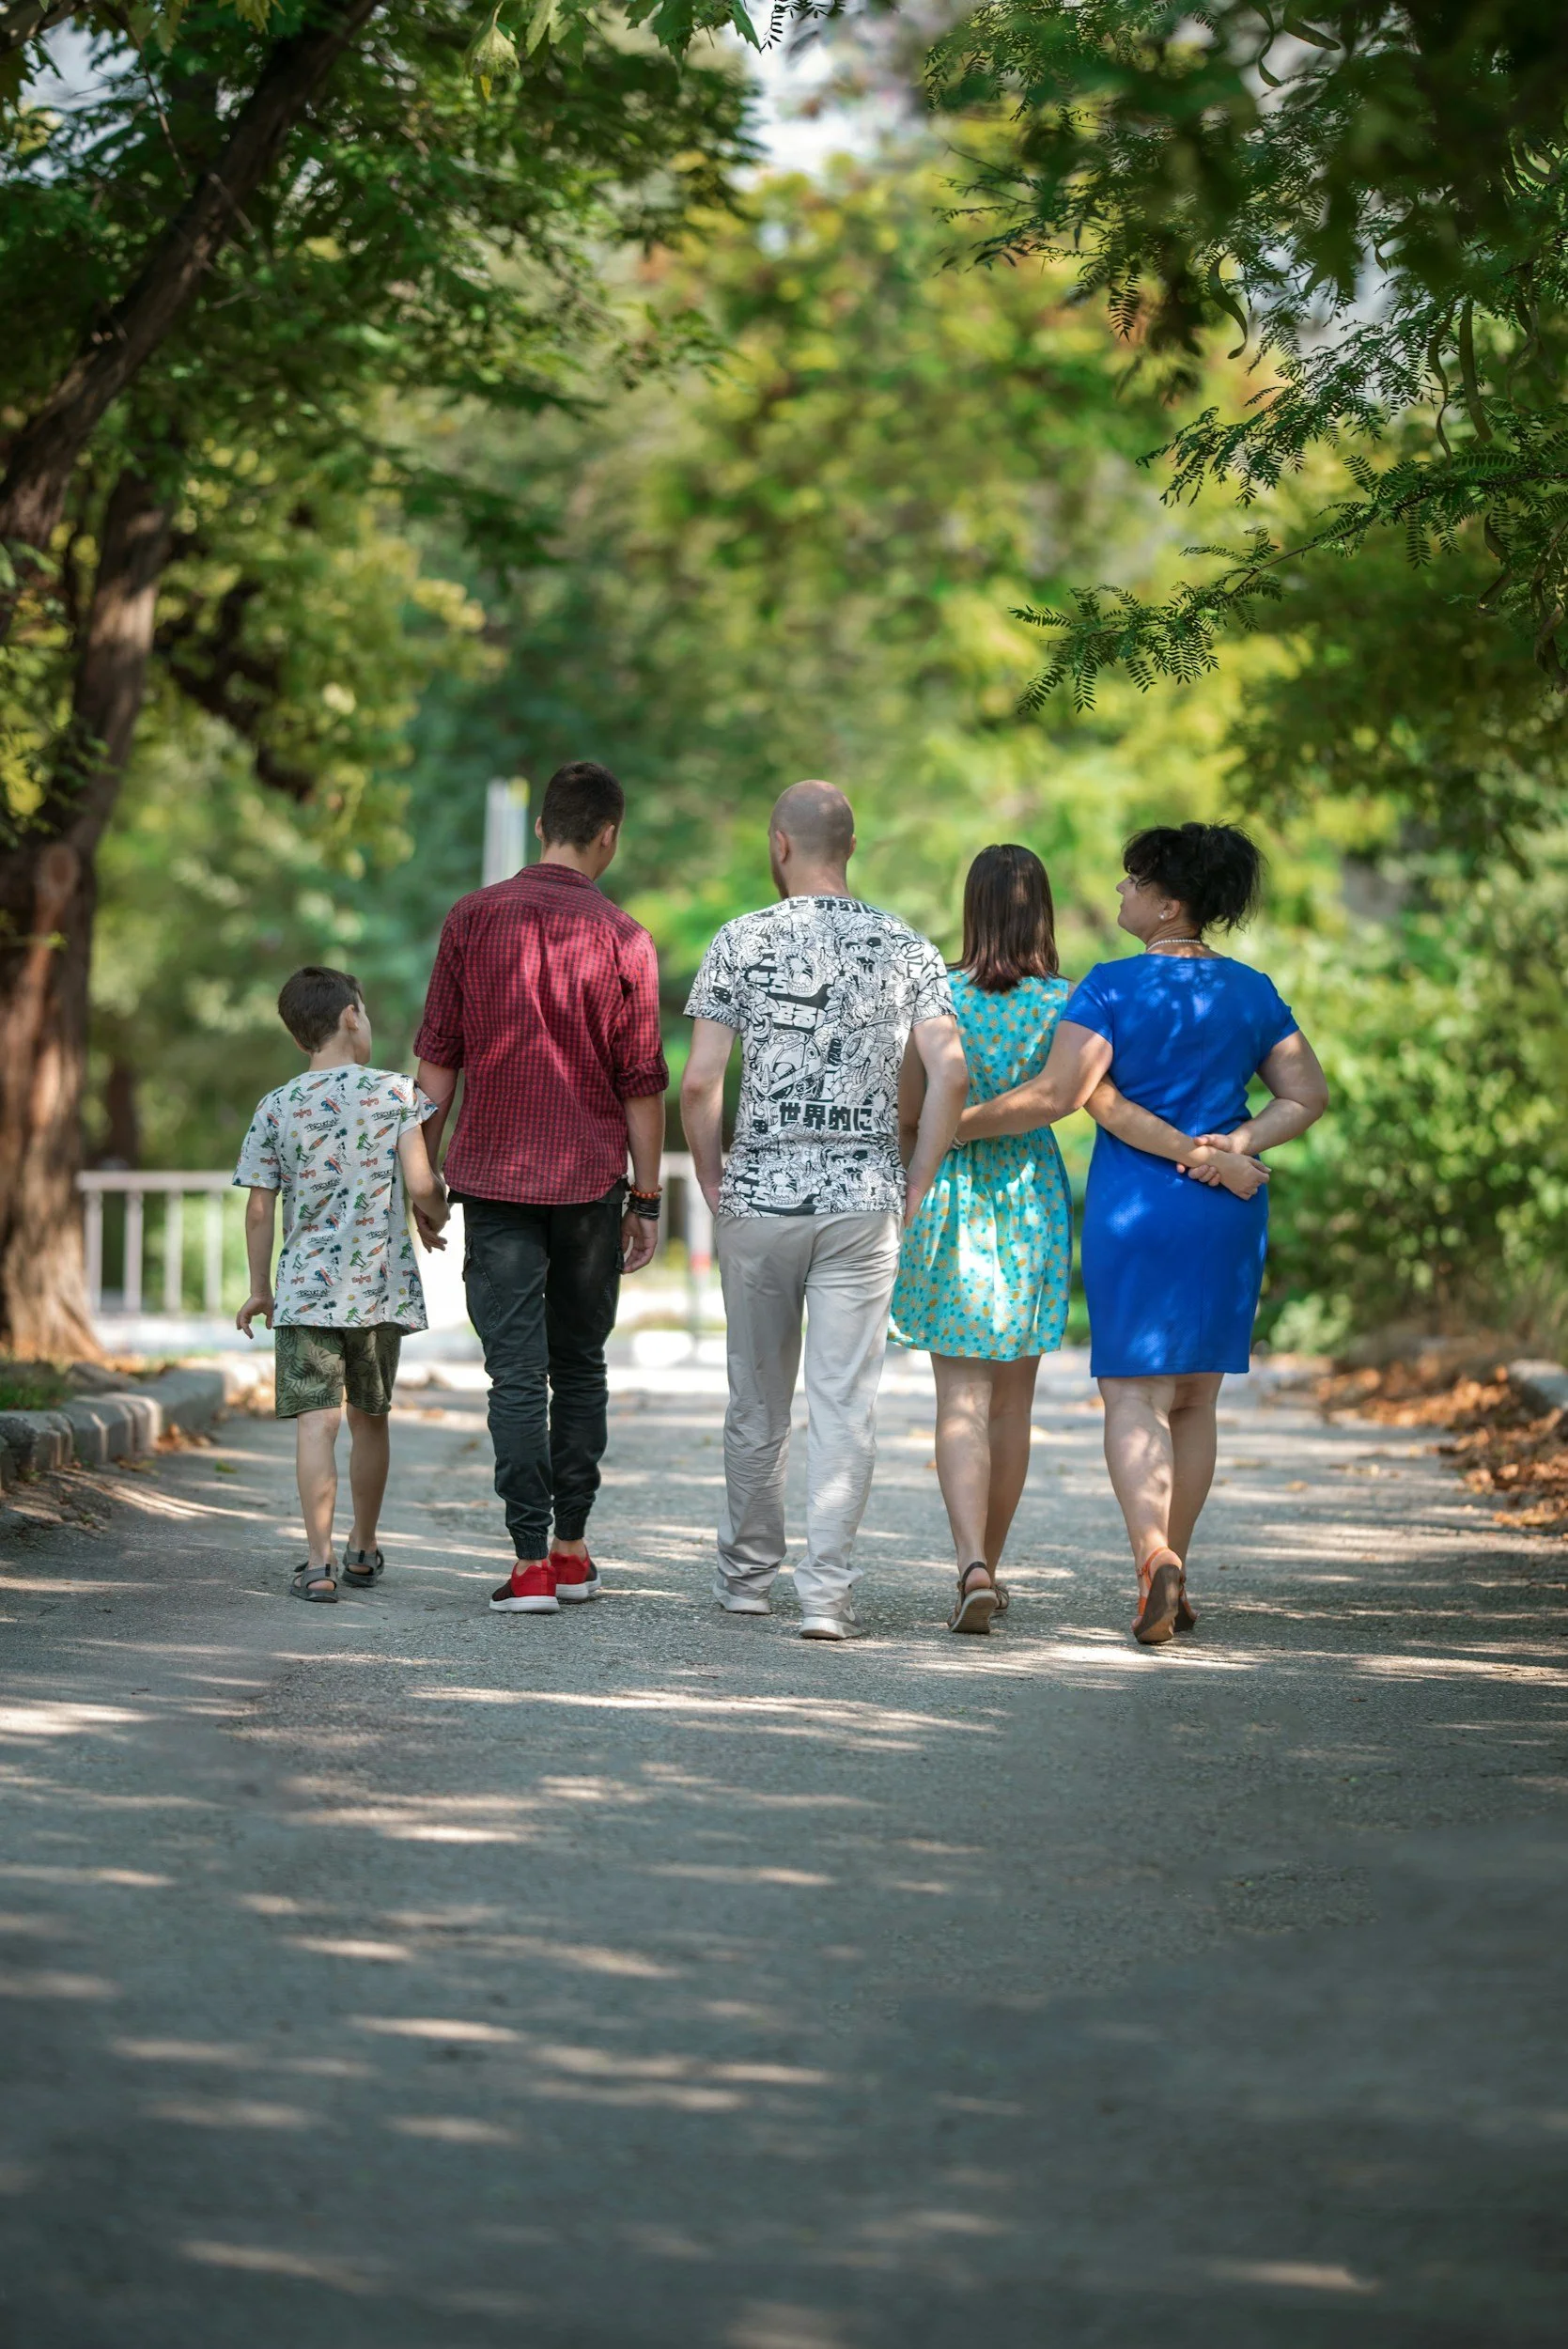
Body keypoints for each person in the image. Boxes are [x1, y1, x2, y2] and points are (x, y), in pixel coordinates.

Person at [955, 822, 1327, 1645]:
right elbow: (1303, 1095)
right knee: (1196, 1399)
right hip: (1226, 1208)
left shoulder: (1110, 988)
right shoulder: (1252, 991)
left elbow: (1069, 1093)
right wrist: (1233, 1147)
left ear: (1170, 903)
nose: (1120, 893)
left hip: (1138, 1207)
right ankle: (1174, 1565)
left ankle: (1152, 1555)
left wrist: (948, 1126)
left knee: (1133, 1395)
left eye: (1132, 883)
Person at [681, 779, 970, 1641]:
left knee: (756, 1400)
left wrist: (710, 1178)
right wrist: (914, 1178)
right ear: (850, 847)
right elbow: (949, 1073)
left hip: (761, 1196)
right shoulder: (908, 947)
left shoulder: (739, 939)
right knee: (845, 1403)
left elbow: (698, 1082)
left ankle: (744, 1581)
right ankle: (826, 1598)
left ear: (779, 844)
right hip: (862, 1204)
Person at [413, 760, 667, 1618]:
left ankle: (525, 1565)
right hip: (590, 1186)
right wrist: (645, 1197)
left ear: (541, 829)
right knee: (580, 1367)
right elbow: (641, 1081)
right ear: (609, 836)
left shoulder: (471, 920)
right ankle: (571, 1551)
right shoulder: (625, 937)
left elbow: (436, 1059)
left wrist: (421, 1170)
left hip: (492, 1180)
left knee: (514, 1375)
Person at [235, 966, 450, 1603]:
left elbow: (257, 1208)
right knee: (370, 1419)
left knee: (315, 1425)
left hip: (303, 1292)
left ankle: (317, 1560)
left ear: (301, 1035)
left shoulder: (276, 1105)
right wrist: (433, 1219)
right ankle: (363, 1545)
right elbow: (419, 1184)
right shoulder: (393, 1092)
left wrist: (258, 1288)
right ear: (352, 1015)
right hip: (379, 1288)